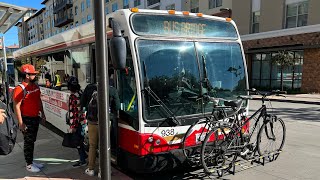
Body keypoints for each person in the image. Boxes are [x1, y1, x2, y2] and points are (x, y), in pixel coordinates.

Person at [83, 70, 120, 177]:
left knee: (92, 146)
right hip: (105, 123)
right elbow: (117, 107)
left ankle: (90, 169)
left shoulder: (89, 88)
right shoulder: (112, 90)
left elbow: (83, 103)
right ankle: (102, 171)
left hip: (91, 122)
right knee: (104, 146)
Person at [13, 64, 46, 173]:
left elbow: (38, 100)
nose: (35, 76)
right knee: (28, 142)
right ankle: (29, 164)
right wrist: (21, 123)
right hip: (26, 119)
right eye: (33, 74)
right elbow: (16, 106)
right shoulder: (20, 88)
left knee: (32, 141)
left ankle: (31, 161)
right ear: (27, 75)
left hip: (35, 117)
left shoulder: (35, 86)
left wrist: (43, 113)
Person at [66, 76, 87, 167]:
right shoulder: (81, 93)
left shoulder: (73, 96)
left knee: (77, 142)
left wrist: (73, 126)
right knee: (81, 141)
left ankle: (82, 160)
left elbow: (75, 113)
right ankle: (84, 157)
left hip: (77, 123)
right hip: (83, 121)